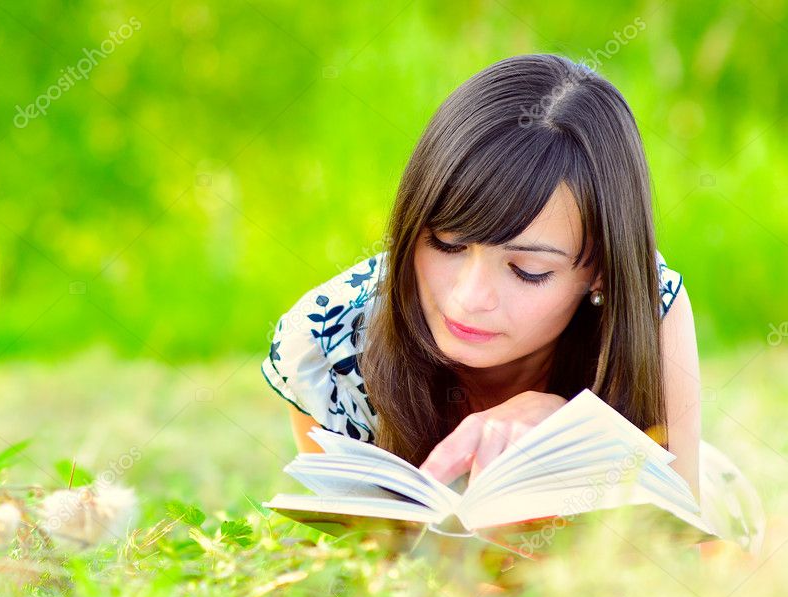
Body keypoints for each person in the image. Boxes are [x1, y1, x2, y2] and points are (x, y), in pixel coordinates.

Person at [261, 54, 764, 556]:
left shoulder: (648, 304)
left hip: (721, 497)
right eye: (447, 245)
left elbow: (679, 551)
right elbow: (362, 558)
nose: (469, 298)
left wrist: (570, 425)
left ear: (600, 273)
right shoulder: (325, 343)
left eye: (529, 270)